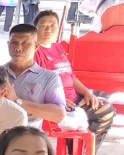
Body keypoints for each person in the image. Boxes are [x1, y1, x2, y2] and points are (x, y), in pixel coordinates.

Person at [33, 10, 115, 146]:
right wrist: (57, 99)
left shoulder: (57, 47)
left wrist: (87, 92)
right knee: (104, 113)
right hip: (59, 104)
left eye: (52, 25)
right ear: (35, 28)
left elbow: (71, 77)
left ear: (59, 27)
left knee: (105, 108)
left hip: (74, 97)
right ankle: (80, 152)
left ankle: (80, 151)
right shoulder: (35, 52)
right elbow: (34, 85)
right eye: (43, 25)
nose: (48, 29)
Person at [4, 24, 66, 128]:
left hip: (29, 137)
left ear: (36, 46)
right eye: (14, 43)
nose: (18, 48)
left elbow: (59, 115)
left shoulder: (48, 78)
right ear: (8, 44)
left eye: (25, 43)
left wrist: (17, 101)